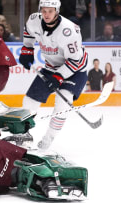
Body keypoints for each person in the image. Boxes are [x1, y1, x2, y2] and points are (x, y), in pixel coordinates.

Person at [19, 0, 89, 149]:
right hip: (50, 67)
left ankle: (48, 139)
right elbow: (28, 32)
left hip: (75, 70)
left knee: (62, 103)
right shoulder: (34, 20)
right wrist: (27, 49)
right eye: (44, 10)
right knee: (30, 100)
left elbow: (75, 61)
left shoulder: (69, 30)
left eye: (50, 11)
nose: (46, 14)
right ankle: (25, 134)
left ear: (57, 11)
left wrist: (59, 77)